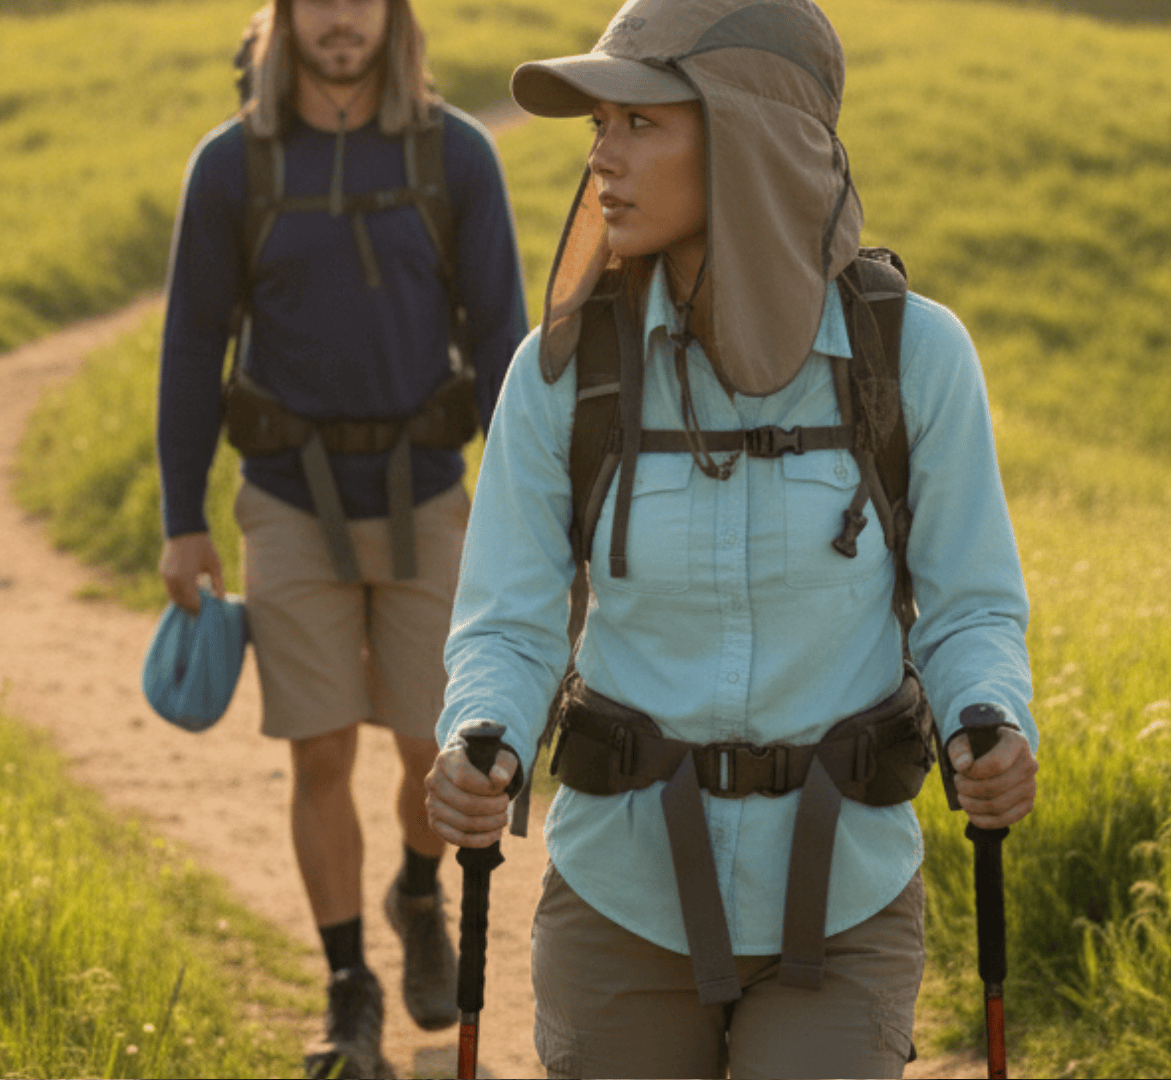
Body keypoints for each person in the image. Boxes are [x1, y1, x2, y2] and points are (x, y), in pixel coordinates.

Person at [424, 0, 1037, 1077]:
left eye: (639, 124)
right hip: (620, 896)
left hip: (845, 896)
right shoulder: (563, 373)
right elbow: (512, 623)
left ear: (751, 140)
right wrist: (484, 737)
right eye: (597, 126)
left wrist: (987, 719)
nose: (600, 158)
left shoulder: (915, 357)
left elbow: (969, 604)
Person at [154, 0, 525, 1075]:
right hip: (287, 499)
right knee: (318, 748)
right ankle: (347, 990)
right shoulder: (233, 166)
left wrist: (529, 512)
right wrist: (184, 520)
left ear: (395, 15)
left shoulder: (456, 155)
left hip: (427, 498)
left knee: (431, 745)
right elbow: (192, 349)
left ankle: (418, 890)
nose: (341, 19)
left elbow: (500, 335)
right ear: (282, 18)